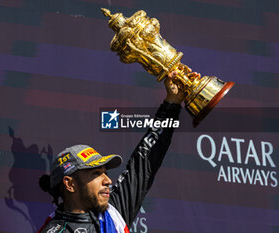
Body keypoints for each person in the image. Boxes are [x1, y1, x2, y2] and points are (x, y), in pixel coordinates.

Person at [38, 71, 195, 233]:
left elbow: (144, 161)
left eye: (104, 172)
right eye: (96, 174)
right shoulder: (56, 230)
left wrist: (173, 103)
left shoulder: (112, 210)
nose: (107, 180)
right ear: (70, 184)